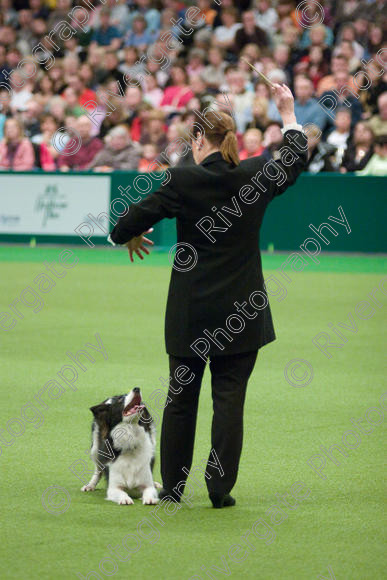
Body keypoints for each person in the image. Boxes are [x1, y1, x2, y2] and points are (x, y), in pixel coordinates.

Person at [108, 84, 307, 509]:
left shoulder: (182, 180)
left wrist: (124, 236)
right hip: (243, 312)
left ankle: (173, 491)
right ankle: (219, 491)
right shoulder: (256, 173)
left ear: (199, 139)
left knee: (181, 401)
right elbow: (292, 160)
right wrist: (288, 112)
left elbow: (128, 221)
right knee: (229, 402)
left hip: (191, 313)